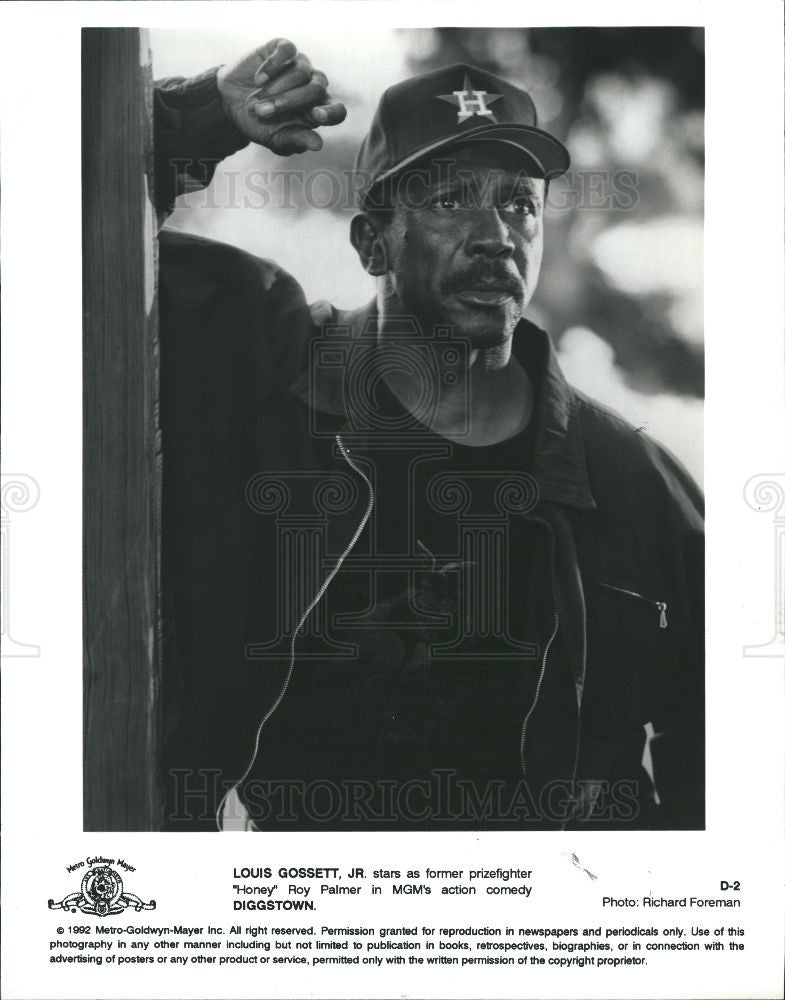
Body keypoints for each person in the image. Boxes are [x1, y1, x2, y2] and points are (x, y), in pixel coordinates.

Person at [154, 39, 704, 833]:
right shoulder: (259, 374)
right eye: (449, 200)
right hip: (293, 918)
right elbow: (74, 243)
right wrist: (197, 117)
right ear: (372, 241)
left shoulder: (626, 477)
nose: (495, 235)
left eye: (518, 202)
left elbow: (726, 755)